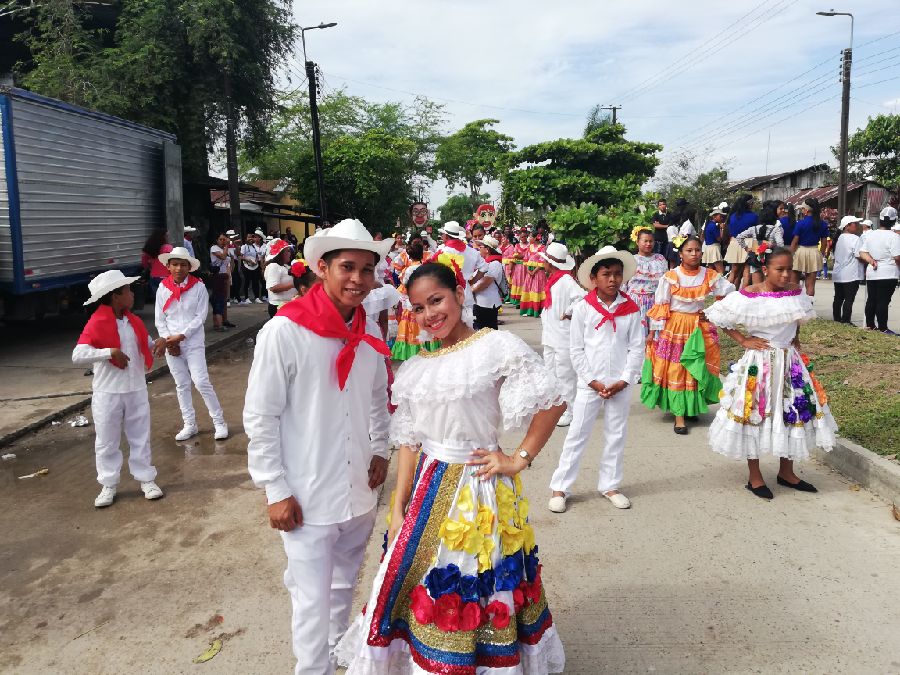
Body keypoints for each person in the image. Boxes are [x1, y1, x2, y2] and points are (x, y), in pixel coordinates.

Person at [335, 261, 566, 675]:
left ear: (460, 294)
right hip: (427, 485)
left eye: (437, 300)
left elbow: (552, 400)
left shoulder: (494, 346)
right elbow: (408, 441)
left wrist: (518, 459)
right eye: (419, 308)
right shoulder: (416, 367)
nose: (430, 315)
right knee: (412, 583)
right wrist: (398, 502)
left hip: (477, 488)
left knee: (476, 583)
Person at [244, 218, 394, 675]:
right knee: (310, 600)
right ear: (321, 268)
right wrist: (274, 488)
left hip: (356, 493)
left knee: (343, 588)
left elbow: (376, 400)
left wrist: (381, 450)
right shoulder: (285, 333)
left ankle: (333, 659)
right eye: (348, 267)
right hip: (306, 496)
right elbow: (261, 416)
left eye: (368, 270)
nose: (359, 280)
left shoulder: (367, 334)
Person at [705, 247, 837, 499]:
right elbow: (719, 317)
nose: (786, 275)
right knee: (754, 413)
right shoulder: (749, 295)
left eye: (790, 269)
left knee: (791, 410)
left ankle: (786, 472)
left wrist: (795, 340)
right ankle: (755, 477)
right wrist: (743, 340)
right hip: (760, 364)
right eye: (780, 269)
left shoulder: (796, 294)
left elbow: (797, 318)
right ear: (766, 269)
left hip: (790, 363)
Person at [548, 246, 644, 513]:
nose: (612, 279)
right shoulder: (583, 309)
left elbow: (637, 348)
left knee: (616, 434)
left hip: (619, 384)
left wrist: (625, 380)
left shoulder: (631, 309)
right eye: (606, 274)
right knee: (577, 433)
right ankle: (561, 487)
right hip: (590, 383)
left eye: (617, 274)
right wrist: (592, 381)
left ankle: (610, 484)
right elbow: (576, 349)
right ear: (594, 279)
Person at [73, 270, 167, 507]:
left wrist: (159, 343)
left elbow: (144, 344)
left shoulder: (132, 321)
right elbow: (78, 355)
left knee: (140, 437)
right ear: (115, 296)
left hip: (136, 388)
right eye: (127, 290)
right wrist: (108, 352)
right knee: (107, 441)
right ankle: (108, 484)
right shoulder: (97, 322)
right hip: (108, 392)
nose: (132, 294)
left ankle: (146, 479)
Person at [641, 236, 735, 434]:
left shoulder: (709, 275)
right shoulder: (671, 276)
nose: (694, 254)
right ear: (681, 254)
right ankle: (679, 415)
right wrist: (653, 333)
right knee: (677, 368)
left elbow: (729, 294)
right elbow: (661, 305)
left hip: (698, 326)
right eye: (689, 250)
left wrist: (712, 311)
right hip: (675, 327)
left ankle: (691, 406)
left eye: (697, 250)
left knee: (695, 367)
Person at [154, 247, 229, 442]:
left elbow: (200, 317)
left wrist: (182, 336)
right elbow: (160, 319)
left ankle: (219, 422)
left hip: (193, 341)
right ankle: (190, 424)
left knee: (201, 382)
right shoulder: (163, 288)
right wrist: (169, 341)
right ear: (169, 267)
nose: (179, 268)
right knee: (181, 384)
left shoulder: (198, 287)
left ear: (189, 267)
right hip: (172, 343)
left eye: (183, 265)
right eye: (175, 264)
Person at [539, 242, 585, 428]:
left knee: (565, 374)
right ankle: (557, 405)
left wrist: (568, 311)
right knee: (551, 371)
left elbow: (582, 298)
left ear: (551, 263)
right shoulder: (555, 279)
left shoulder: (566, 280)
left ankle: (571, 410)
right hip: (551, 334)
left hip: (562, 335)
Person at [391, 240, 439, 360]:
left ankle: (415, 352)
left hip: (412, 302)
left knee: (413, 327)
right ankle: (428, 348)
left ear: (409, 255)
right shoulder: (426, 267)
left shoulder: (409, 270)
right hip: (426, 300)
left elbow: (406, 287)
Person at [857, 206, 900, 333]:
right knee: (883, 300)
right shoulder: (894, 237)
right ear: (893, 221)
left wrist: (871, 260)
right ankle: (883, 328)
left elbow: (862, 252)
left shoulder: (872, 235)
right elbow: (897, 257)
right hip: (888, 272)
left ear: (879, 220)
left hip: (872, 271)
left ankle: (870, 325)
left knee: (872, 299)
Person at [436, 221, 487, 327]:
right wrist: (472, 281)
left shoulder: (442, 251)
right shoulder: (471, 251)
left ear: (446, 236)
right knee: (468, 326)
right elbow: (484, 267)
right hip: (466, 291)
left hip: (448, 292)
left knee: (450, 326)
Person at [624, 228, 668, 335]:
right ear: (637, 242)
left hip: (656, 301)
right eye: (645, 241)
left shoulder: (660, 259)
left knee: (656, 336)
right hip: (635, 301)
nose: (648, 244)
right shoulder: (631, 260)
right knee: (636, 334)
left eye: (651, 241)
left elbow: (666, 280)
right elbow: (623, 283)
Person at [736, 200, 785, 285]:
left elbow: (739, 237)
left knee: (757, 286)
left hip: (756, 258)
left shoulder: (753, 228)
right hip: (770, 259)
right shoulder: (775, 229)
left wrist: (747, 248)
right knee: (768, 286)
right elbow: (781, 245)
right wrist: (772, 245)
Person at [831, 216, 865, 324]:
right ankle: (846, 320)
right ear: (847, 226)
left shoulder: (839, 238)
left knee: (838, 298)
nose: (858, 225)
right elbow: (859, 255)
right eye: (855, 223)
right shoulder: (855, 239)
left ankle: (836, 319)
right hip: (851, 274)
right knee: (849, 299)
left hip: (838, 273)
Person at [471, 234, 505, 330]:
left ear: (487, 249)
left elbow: (485, 283)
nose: (479, 249)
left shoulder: (494, 264)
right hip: (481, 302)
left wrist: (470, 290)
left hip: (487, 303)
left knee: (488, 331)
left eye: (480, 247)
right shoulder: (486, 263)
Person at [724, 194, 758, 289]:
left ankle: (726, 294)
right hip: (749, 243)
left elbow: (730, 231)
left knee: (734, 272)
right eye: (752, 202)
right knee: (747, 272)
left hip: (735, 242)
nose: (753, 204)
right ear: (748, 204)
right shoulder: (754, 216)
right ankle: (743, 296)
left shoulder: (733, 216)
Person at [264, 239, 298, 318]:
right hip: (278, 306)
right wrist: (295, 283)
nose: (290, 254)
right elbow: (273, 288)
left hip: (286, 304)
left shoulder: (284, 266)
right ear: (281, 254)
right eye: (287, 251)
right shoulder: (273, 266)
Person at [519, 229, 548, 317]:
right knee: (529, 289)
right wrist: (528, 269)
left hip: (539, 271)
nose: (529, 238)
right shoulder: (529, 247)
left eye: (530, 237)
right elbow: (526, 258)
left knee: (538, 289)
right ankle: (529, 310)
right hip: (530, 271)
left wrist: (535, 270)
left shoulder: (542, 248)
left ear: (536, 238)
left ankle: (538, 310)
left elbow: (542, 260)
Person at [209, 233, 232, 331]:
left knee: (225, 299)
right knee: (219, 299)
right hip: (217, 276)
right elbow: (222, 257)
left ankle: (225, 320)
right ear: (217, 240)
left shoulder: (226, 249)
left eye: (224, 239)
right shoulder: (214, 248)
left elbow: (230, 262)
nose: (223, 241)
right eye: (221, 239)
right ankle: (218, 323)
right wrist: (227, 245)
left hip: (226, 275)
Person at [140, 229, 173, 297]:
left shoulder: (151, 248)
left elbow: (144, 262)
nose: (168, 237)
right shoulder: (168, 248)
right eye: (167, 236)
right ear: (163, 237)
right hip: (167, 277)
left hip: (154, 277)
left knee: (158, 300)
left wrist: (150, 268)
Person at [240, 233, 264, 304]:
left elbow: (256, 256)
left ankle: (256, 297)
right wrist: (248, 260)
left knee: (255, 282)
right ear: (246, 239)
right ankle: (247, 298)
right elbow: (241, 256)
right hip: (246, 266)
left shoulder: (254, 247)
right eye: (249, 237)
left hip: (254, 266)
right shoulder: (244, 247)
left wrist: (256, 261)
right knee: (247, 281)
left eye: (252, 237)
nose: (251, 239)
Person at [509, 228, 529, 307]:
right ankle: (518, 301)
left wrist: (520, 256)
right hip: (518, 268)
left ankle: (524, 300)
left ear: (527, 236)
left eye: (524, 236)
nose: (523, 238)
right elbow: (514, 256)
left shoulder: (529, 246)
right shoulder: (517, 245)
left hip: (526, 267)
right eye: (522, 237)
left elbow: (527, 256)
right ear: (519, 238)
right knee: (518, 282)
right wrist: (510, 268)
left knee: (525, 282)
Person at [702, 208, 726, 274]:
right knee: (720, 271)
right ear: (714, 217)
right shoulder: (713, 226)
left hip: (709, 248)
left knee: (710, 270)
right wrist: (722, 228)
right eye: (720, 216)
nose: (721, 218)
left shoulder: (708, 225)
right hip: (714, 248)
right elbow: (719, 239)